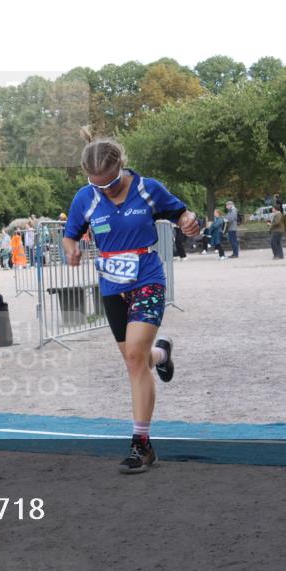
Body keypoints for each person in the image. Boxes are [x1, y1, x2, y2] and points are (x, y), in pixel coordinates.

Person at [62, 128, 199, 474]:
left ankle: (142, 445)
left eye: (111, 182)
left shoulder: (148, 189)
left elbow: (181, 213)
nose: (106, 190)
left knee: (135, 358)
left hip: (147, 278)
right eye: (97, 185)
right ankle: (161, 354)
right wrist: (71, 250)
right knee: (136, 360)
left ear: (121, 165)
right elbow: (70, 235)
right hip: (112, 287)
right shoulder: (85, 198)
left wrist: (188, 222)